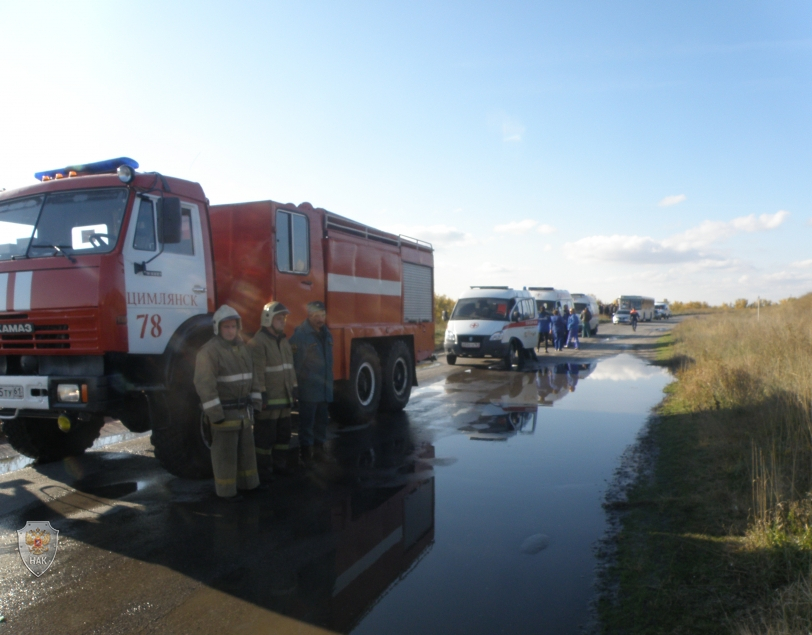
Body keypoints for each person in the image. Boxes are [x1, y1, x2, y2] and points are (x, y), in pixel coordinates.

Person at [194, 305, 263, 501]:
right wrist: (216, 415)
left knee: (246, 454)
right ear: (217, 328)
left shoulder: (244, 348)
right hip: (225, 415)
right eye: (226, 327)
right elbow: (204, 385)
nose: (231, 330)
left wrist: (256, 403)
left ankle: (249, 486)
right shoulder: (209, 352)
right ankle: (226, 494)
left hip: (243, 413)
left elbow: (253, 376)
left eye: (233, 326)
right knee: (225, 457)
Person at [249, 301, 298, 481]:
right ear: (268, 319)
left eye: (283, 318)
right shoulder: (258, 343)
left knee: (283, 437)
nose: (283, 322)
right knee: (264, 440)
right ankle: (263, 473)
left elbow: (289, 367)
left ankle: (280, 466)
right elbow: (257, 372)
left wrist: (294, 388)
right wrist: (261, 394)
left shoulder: (284, 341)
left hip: (284, 400)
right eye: (279, 318)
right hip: (268, 403)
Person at [290, 301, 334, 465]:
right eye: (316, 315)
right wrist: (295, 386)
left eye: (322, 315)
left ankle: (319, 451)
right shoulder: (300, 336)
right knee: (307, 424)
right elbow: (295, 364)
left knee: (322, 422)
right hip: (308, 389)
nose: (320, 319)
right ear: (309, 316)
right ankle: (306, 455)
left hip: (323, 389)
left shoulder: (326, 333)